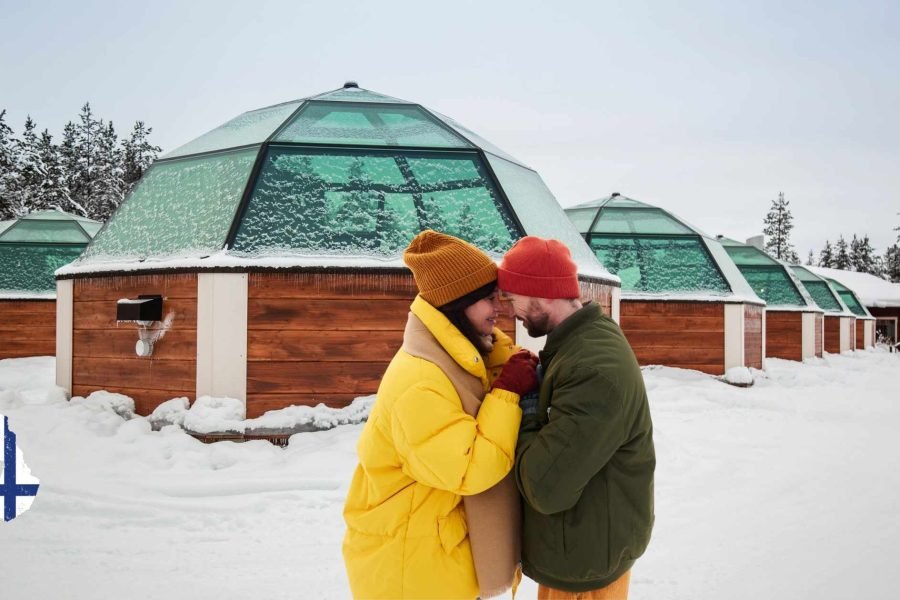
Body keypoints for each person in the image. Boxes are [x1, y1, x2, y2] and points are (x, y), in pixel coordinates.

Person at [343, 230, 539, 599]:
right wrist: (508, 392)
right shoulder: (419, 381)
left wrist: (505, 362)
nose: (498, 307)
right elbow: (469, 469)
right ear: (455, 304)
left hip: (435, 556)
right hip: (411, 571)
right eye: (485, 298)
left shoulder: (459, 360)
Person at [497, 236, 655, 600]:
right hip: (584, 546)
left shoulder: (592, 368)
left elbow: (545, 487)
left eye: (513, 297)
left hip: (584, 563)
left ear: (540, 292)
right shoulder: (583, 342)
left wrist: (527, 404)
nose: (510, 309)